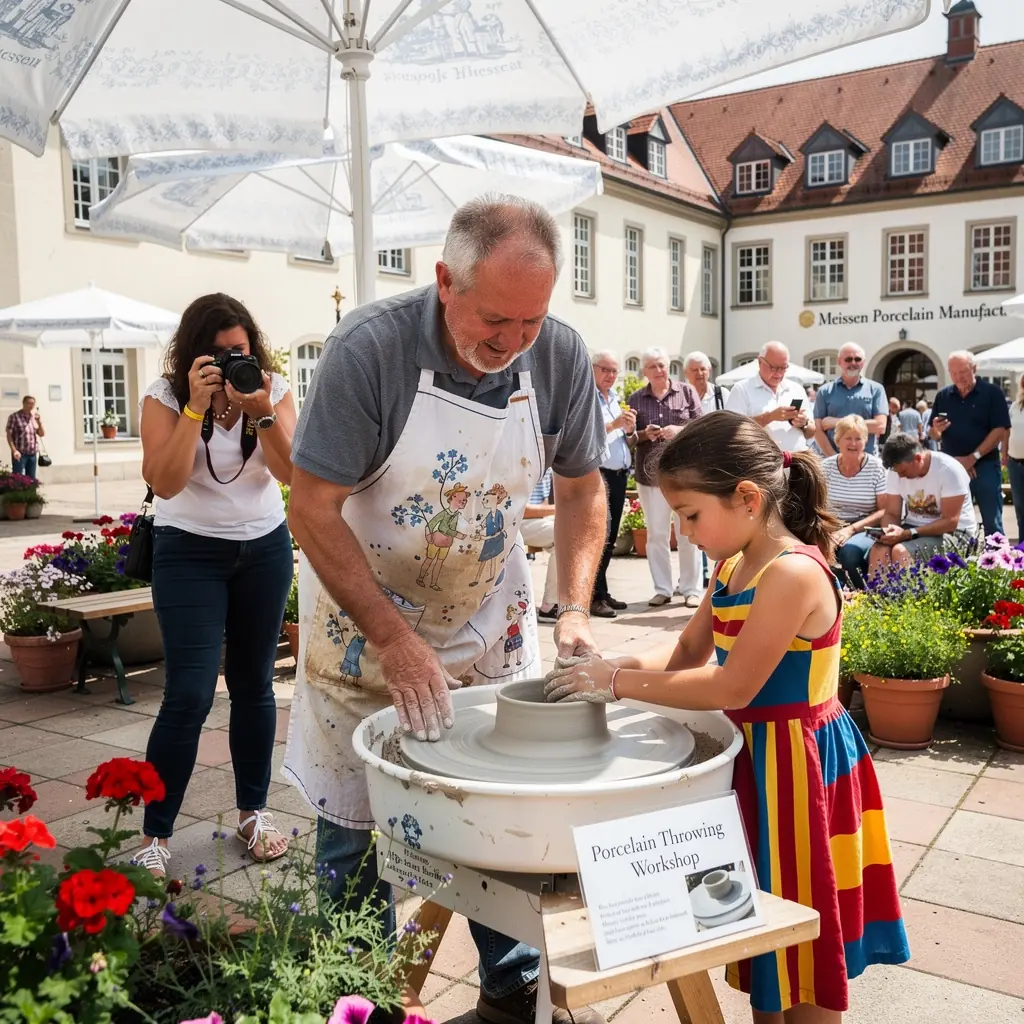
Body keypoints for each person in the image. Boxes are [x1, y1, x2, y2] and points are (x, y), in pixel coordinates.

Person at [285, 195, 608, 1024]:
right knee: (360, 821)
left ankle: (513, 978)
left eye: (531, 323)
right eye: (495, 321)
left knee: (500, 810)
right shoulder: (371, 351)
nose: (511, 345)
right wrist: (391, 637)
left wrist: (572, 608)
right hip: (365, 626)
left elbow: (582, 485)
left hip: (488, 617)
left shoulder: (560, 356)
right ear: (443, 283)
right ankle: (354, 994)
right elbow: (312, 506)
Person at [544, 412, 910, 1023]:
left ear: (746, 498)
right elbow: (689, 650)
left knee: (804, 916)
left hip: (800, 763)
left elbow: (733, 683)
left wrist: (614, 683)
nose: (683, 532)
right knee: (762, 919)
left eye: (690, 515)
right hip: (759, 758)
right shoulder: (734, 565)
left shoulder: (791, 572)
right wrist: (613, 660)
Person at [134, 293, 297, 876]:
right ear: (195, 355)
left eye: (242, 351)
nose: (234, 361)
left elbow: (291, 473)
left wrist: (261, 410)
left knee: (255, 685)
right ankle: (156, 834)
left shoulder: (271, 390)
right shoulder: (164, 396)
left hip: (264, 548)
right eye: (222, 353)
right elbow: (168, 482)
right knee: (190, 693)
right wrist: (195, 410)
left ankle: (254, 813)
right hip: (189, 554)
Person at [627, 348, 703, 608]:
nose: (659, 370)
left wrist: (677, 430)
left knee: (689, 532)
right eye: (652, 366)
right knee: (656, 534)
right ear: (645, 372)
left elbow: (701, 425)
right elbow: (629, 439)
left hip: (684, 475)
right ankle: (662, 589)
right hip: (650, 476)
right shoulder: (636, 398)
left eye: (661, 365)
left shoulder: (686, 391)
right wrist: (645, 434)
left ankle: (691, 588)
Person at [930, 350, 1010, 539]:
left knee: (993, 523)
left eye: (963, 372)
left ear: (974, 368)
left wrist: (972, 458)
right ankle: (953, 565)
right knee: (951, 523)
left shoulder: (992, 393)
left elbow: (999, 431)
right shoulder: (943, 396)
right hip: (952, 469)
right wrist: (936, 429)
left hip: (985, 466)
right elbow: (933, 434)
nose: (958, 377)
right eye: (953, 373)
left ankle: (997, 565)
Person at [869, 433, 978, 573]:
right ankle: (877, 594)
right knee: (879, 550)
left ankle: (908, 595)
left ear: (918, 458)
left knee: (901, 551)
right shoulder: (896, 471)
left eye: (903, 471)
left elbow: (950, 522)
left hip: (955, 533)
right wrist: (888, 532)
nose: (900, 476)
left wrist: (908, 534)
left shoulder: (949, 470)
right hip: (913, 528)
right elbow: (892, 513)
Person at [591, 350, 635, 618]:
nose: (610, 375)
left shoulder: (615, 399)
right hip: (599, 474)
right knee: (599, 537)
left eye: (614, 371)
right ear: (593, 369)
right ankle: (593, 596)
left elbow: (625, 439)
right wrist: (615, 424)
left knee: (610, 538)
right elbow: (588, 432)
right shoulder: (588, 397)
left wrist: (630, 431)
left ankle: (602, 591)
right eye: (605, 369)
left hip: (619, 474)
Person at [821, 415, 887, 589]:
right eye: (848, 438)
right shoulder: (825, 467)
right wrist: (826, 530)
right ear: (837, 441)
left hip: (864, 526)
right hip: (832, 524)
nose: (853, 443)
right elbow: (816, 504)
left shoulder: (876, 467)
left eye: (858, 438)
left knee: (850, 552)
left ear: (865, 441)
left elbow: (884, 511)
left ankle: (862, 596)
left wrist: (850, 529)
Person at [726, 341, 815, 453]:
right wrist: (770, 417)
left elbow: (812, 432)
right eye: (773, 367)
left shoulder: (797, 389)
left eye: (783, 368)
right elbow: (732, 429)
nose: (778, 373)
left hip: (798, 460)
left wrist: (804, 423)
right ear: (759, 362)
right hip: (762, 463)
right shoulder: (741, 389)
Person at [813, 343, 887, 457]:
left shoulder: (876, 389)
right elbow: (817, 430)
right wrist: (834, 458)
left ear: (863, 362)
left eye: (857, 359)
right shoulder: (824, 391)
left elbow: (880, 426)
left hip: (866, 460)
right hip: (831, 460)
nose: (853, 363)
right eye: (848, 359)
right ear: (839, 362)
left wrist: (835, 422)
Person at [519, 467, 558, 620]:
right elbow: (521, 509)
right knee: (563, 535)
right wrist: (557, 509)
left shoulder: (548, 467)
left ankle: (555, 602)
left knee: (574, 531)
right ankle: (551, 605)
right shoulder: (519, 461)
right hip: (514, 521)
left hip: (534, 521)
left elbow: (543, 504)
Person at [6, 395, 44, 479]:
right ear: (23, 403)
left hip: (32, 453)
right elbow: (9, 435)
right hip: (20, 453)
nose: (30, 406)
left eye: (32, 404)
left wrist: (39, 422)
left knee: (31, 479)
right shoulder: (14, 417)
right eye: (28, 403)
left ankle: (31, 492)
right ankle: (17, 492)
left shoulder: (34, 417)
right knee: (18, 478)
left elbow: (41, 434)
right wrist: (14, 450)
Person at [1005, 377, 1024, 541]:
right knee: (1019, 506)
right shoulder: (1015, 407)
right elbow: (1007, 432)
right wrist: (1004, 454)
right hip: (1015, 463)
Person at [684, 350, 729, 414]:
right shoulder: (679, 397)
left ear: (709, 371)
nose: (699, 373)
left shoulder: (722, 394)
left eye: (703, 369)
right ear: (686, 373)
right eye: (694, 370)